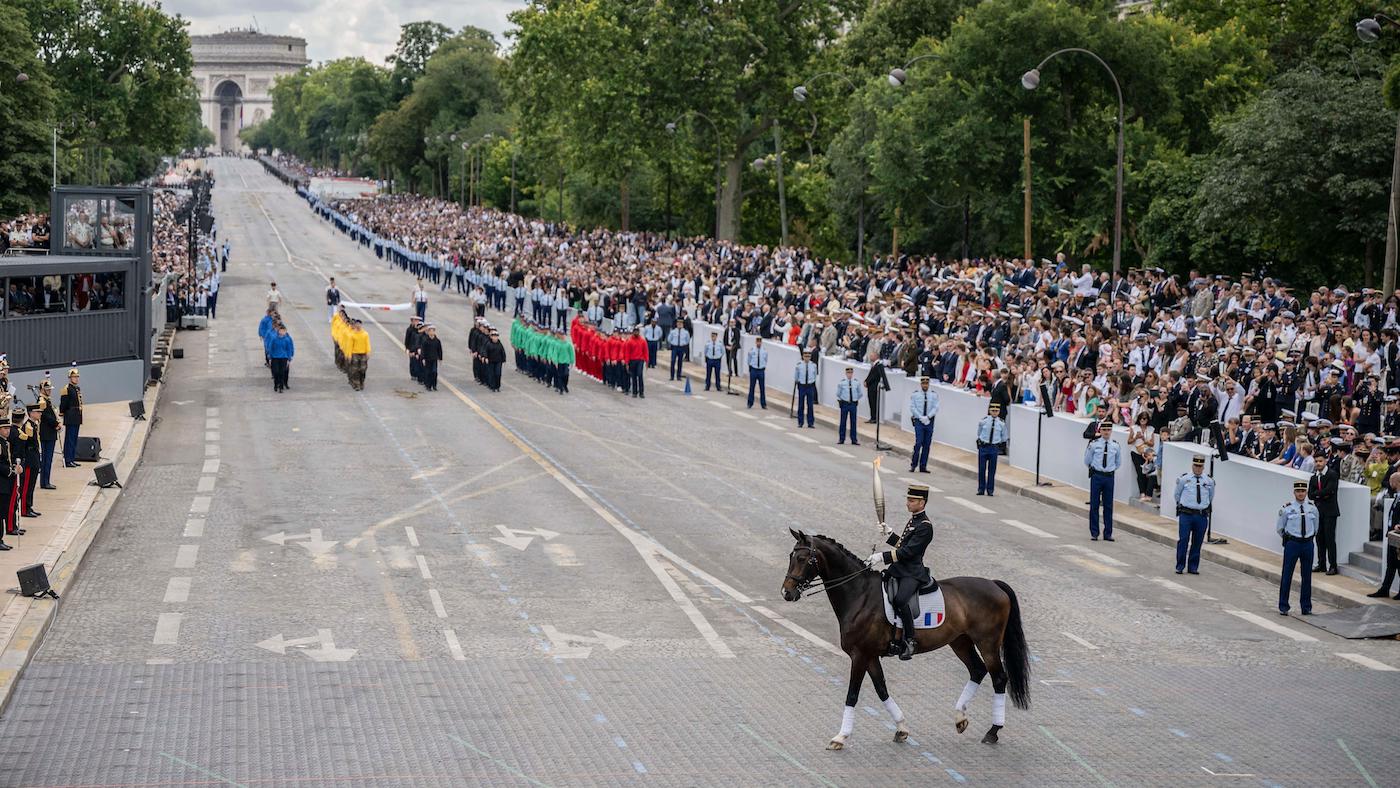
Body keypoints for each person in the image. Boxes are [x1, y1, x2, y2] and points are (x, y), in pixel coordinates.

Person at [866, 483, 935, 661]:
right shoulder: (914, 520)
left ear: (922, 502)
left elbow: (908, 552)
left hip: (912, 572)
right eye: (908, 499)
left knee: (900, 599)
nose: (908, 503)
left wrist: (882, 557)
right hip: (899, 569)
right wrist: (889, 534)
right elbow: (903, 545)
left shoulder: (925, 526)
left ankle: (910, 639)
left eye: (912, 500)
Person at [1277, 480, 1319, 615]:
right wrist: (1289, 538)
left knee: (1307, 576)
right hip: (1293, 543)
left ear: (1306, 492)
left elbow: (1316, 527)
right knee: (1287, 574)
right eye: (1298, 491)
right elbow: (1280, 528)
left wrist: (1309, 537)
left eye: (1303, 491)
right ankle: (1284, 606)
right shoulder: (1287, 509)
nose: (1301, 494)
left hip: (1307, 543)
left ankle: (1306, 607)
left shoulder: (1312, 508)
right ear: (1294, 492)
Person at [1173, 454, 1216, 573]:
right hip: (1186, 514)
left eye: (1200, 466)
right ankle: (1180, 566)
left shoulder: (1209, 481)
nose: (1197, 468)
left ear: (1203, 467)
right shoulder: (1184, 479)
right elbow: (1177, 495)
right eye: (1195, 465)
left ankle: (1193, 567)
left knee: (1197, 542)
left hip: (1201, 515)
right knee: (1183, 539)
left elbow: (1211, 496)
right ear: (1192, 465)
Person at [1084, 421, 1121, 541]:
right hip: (1097, 476)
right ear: (1100, 431)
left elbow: (1118, 462)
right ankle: (1094, 532)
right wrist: (1096, 469)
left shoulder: (1115, 445)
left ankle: (1108, 533)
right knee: (1094, 504)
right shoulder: (1094, 444)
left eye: (1108, 430)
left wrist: (1110, 470)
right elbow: (1087, 460)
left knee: (1108, 506)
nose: (1106, 432)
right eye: (1104, 430)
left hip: (1109, 477)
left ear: (1111, 431)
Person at [1308, 448, 1341, 575]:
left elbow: (1330, 491)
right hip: (1318, 512)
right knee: (1319, 538)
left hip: (1330, 511)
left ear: (1325, 461)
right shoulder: (1313, 478)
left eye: (1320, 461)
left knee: (1329, 539)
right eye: (1316, 461)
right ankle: (1321, 563)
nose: (1318, 464)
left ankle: (1333, 565)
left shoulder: (1332, 474)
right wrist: (1320, 495)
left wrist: (1318, 494)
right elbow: (1310, 495)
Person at [1367, 474, 1400, 598]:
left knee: (1398, 564)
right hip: (1392, 535)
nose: (1389, 483)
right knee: (1391, 564)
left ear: (1396, 482)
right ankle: (1385, 589)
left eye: (1391, 481)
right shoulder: (1396, 496)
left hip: (1398, 535)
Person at [976, 403, 1007, 496]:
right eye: (993, 411)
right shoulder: (983, 421)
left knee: (992, 470)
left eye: (996, 411)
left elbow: (1004, 437)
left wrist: (996, 442)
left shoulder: (1001, 423)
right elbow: (979, 432)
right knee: (981, 469)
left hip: (993, 447)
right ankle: (981, 489)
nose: (994, 413)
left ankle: (990, 490)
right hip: (984, 446)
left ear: (999, 412)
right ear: (989, 411)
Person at [908, 376, 939, 473]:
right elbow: (912, 407)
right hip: (919, 421)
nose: (925, 385)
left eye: (926, 384)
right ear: (921, 384)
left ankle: (923, 466)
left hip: (929, 421)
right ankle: (913, 464)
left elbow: (936, 407)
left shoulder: (933, 395)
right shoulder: (915, 394)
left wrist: (928, 417)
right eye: (923, 384)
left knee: (927, 444)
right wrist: (920, 417)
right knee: (918, 443)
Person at [36, 379, 58, 490]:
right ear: (43, 389)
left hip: (49, 432)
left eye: (50, 389)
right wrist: (56, 424)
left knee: (48, 458)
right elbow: (45, 416)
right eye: (47, 389)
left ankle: (45, 481)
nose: (49, 391)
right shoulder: (42, 400)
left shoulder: (46, 399)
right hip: (47, 432)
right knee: (46, 458)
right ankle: (45, 482)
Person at [59, 367, 82, 467]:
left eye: (77, 377)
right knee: (70, 439)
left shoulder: (77, 388)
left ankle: (72, 458)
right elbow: (63, 403)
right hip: (70, 415)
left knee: (74, 438)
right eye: (74, 377)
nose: (76, 379)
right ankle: (68, 459)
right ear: (70, 378)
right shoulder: (67, 389)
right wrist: (62, 413)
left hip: (76, 415)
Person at [836, 366, 861, 445]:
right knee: (843, 421)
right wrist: (844, 399)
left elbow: (860, 393)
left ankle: (854, 439)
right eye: (848, 373)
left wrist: (855, 399)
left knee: (853, 422)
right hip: (845, 403)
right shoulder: (842, 382)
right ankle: (841, 438)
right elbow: (838, 393)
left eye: (851, 373)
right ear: (846, 373)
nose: (849, 374)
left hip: (853, 403)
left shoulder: (856, 382)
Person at [267, 324, 295, 393]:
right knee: (276, 372)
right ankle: (276, 384)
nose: (282, 332)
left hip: (284, 358)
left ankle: (281, 386)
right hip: (275, 358)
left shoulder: (287, 339)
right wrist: (270, 358)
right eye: (281, 330)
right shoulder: (274, 338)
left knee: (282, 372)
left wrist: (289, 359)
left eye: (284, 331)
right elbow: (270, 348)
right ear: (278, 331)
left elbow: (289, 349)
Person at [794, 350, 818, 429]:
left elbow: (814, 375)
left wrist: (811, 382)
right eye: (805, 356)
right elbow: (796, 376)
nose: (807, 358)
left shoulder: (813, 365)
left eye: (808, 356)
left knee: (810, 405)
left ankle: (810, 422)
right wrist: (798, 383)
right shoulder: (799, 365)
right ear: (803, 357)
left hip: (810, 386)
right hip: (802, 386)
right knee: (801, 404)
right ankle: (800, 422)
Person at [346, 319, 371, 391]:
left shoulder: (365, 334)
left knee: (363, 369)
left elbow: (367, 344)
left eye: (359, 324)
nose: (358, 325)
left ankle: (361, 382)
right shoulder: (352, 334)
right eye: (357, 324)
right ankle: (356, 384)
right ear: (355, 325)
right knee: (355, 370)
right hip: (355, 354)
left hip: (363, 353)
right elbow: (350, 345)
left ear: (361, 325)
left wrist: (368, 352)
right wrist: (349, 355)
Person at [418, 324, 443, 391]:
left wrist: (440, 358)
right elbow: (423, 350)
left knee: (434, 372)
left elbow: (439, 350)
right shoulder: (425, 341)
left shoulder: (437, 341)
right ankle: (428, 386)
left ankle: (434, 385)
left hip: (434, 359)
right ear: (428, 332)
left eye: (433, 331)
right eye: (430, 331)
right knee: (428, 372)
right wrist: (423, 358)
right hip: (427, 359)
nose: (432, 332)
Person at [864, 359, 890, 423]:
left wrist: (867, 381)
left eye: (872, 356)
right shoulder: (875, 365)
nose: (870, 357)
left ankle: (874, 418)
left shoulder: (878, 365)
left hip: (873, 387)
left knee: (873, 403)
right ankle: (872, 417)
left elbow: (874, 376)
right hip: (871, 387)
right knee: (871, 403)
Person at [0, 419, 13, 549]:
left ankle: (1, 539)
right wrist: (10, 470)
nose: (7, 431)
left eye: (8, 428)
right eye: (4, 428)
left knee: (2, 512)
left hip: (5, 482)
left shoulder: (5, 442)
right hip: (1, 482)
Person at [747, 337, 769, 409]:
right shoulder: (752, 350)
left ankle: (763, 404)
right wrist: (750, 367)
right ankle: (750, 403)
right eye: (757, 342)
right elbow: (749, 359)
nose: (758, 343)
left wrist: (763, 366)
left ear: (761, 342)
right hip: (754, 369)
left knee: (762, 388)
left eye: (760, 342)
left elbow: (766, 360)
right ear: (755, 342)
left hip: (761, 370)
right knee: (752, 387)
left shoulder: (764, 351)